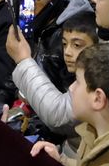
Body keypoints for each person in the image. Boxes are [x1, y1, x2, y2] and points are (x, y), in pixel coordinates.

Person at [7, 11, 101, 139]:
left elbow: (59, 116)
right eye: (64, 44)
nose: (67, 52)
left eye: (77, 45)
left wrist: (23, 59)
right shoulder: (69, 75)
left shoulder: (97, 79)